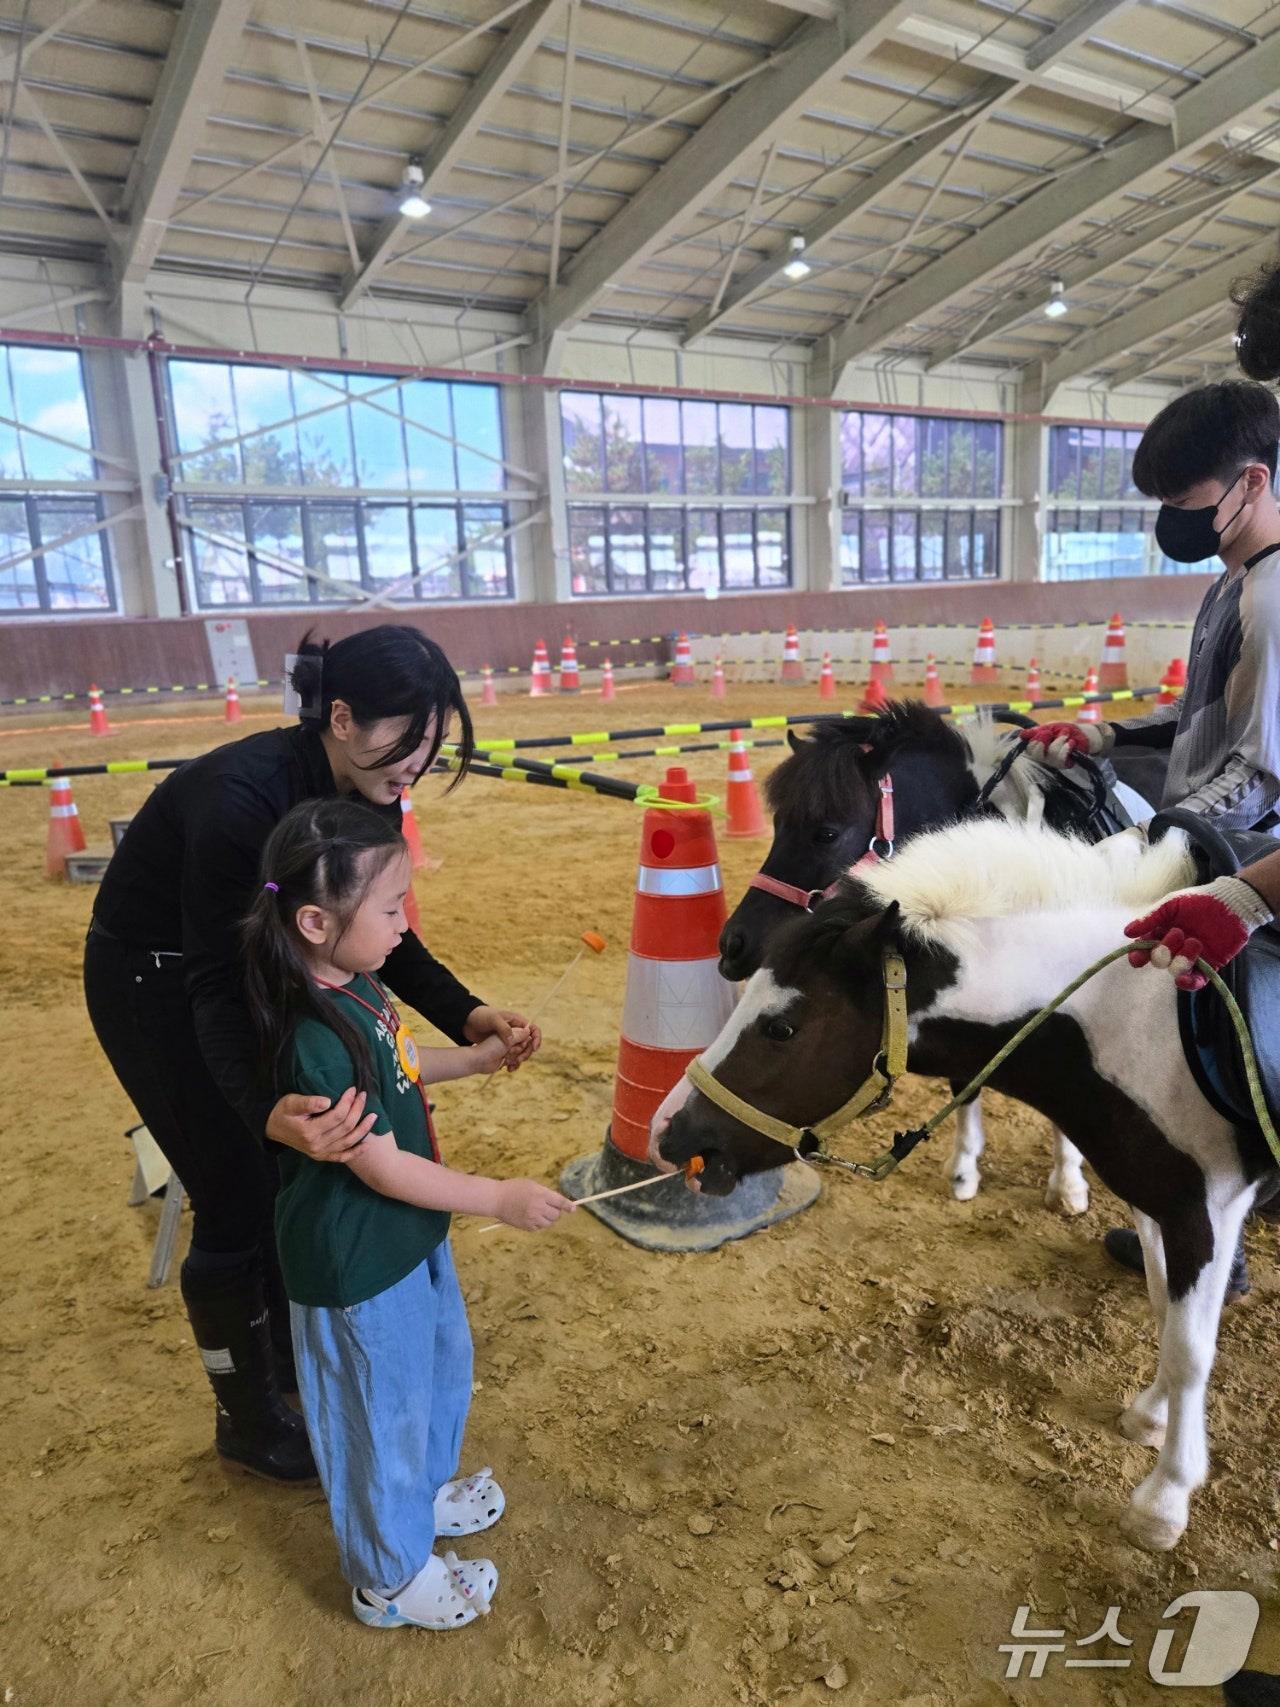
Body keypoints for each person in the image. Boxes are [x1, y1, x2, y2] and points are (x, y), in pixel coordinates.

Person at [84, 626, 540, 1483]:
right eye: (404, 744)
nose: (416, 766)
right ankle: (248, 1417)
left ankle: (293, 1356)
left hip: (261, 960)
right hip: (158, 975)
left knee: (297, 1164)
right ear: (340, 716)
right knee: (235, 1184)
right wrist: (260, 1108)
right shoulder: (239, 803)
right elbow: (214, 986)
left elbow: (385, 929)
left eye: (431, 746)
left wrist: (467, 1013)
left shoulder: (370, 789)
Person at [241, 797, 574, 1630]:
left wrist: (477, 1055)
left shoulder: (359, 983)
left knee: (432, 1373)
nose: (405, 922)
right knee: (376, 1414)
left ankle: (421, 1498)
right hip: (356, 1264)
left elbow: (402, 1058)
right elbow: (383, 1168)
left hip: (405, 1241)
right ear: (317, 921)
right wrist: (499, 1195)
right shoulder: (311, 1033)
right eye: (391, 907)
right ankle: (388, 1577)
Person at [1021, 378, 1280, 1290]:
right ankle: (1205, 1221)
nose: (1172, 520)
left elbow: (1262, 774)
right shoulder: (1233, 581)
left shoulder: (1274, 597)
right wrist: (1104, 734)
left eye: (1183, 503)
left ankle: (1241, 1209)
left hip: (1252, 858)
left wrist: (1161, 845)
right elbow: (1198, 710)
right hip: (1214, 836)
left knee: (1225, 1042)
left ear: (1251, 481)